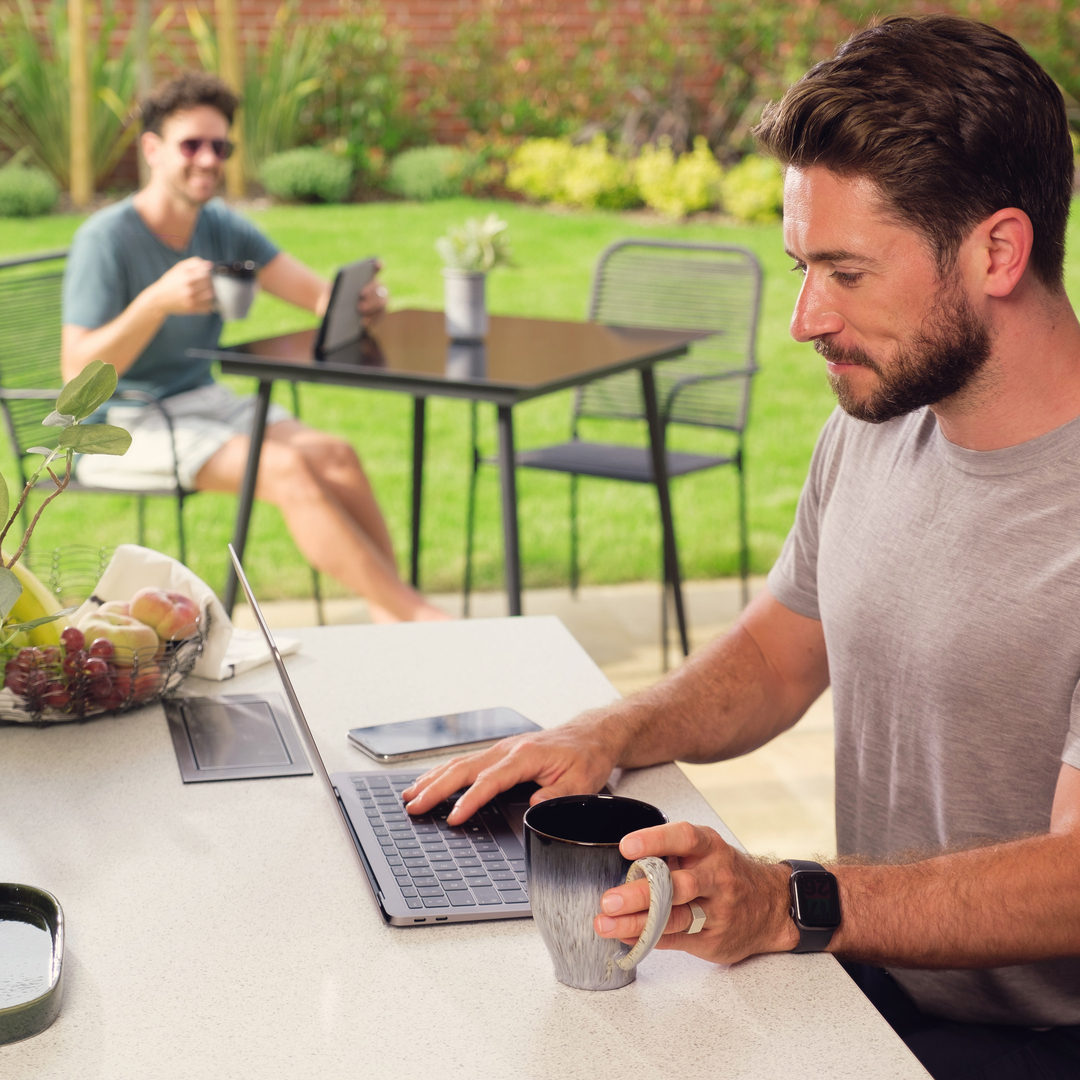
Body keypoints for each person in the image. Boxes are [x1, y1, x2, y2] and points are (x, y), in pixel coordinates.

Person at [403, 15, 1080, 1076]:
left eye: (847, 274)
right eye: (801, 265)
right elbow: (781, 652)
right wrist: (608, 731)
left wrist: (787, 899)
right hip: (861, 979)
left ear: (998, 250)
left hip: (1031, 1043)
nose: (807, 318)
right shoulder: (876, 430)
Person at [61, 71, 447, 623]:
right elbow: (76, 376)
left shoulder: (220, 226)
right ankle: (419, 618)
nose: (208, 159)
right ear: (152, 149)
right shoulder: (105, 240)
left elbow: (316, 297)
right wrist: (155, 303)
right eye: (191, 144)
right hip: (123, 422)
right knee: (285, 468)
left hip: (202, 400)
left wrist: (357, 303)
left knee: (335, 455)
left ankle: (393, 615)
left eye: (220, 146)